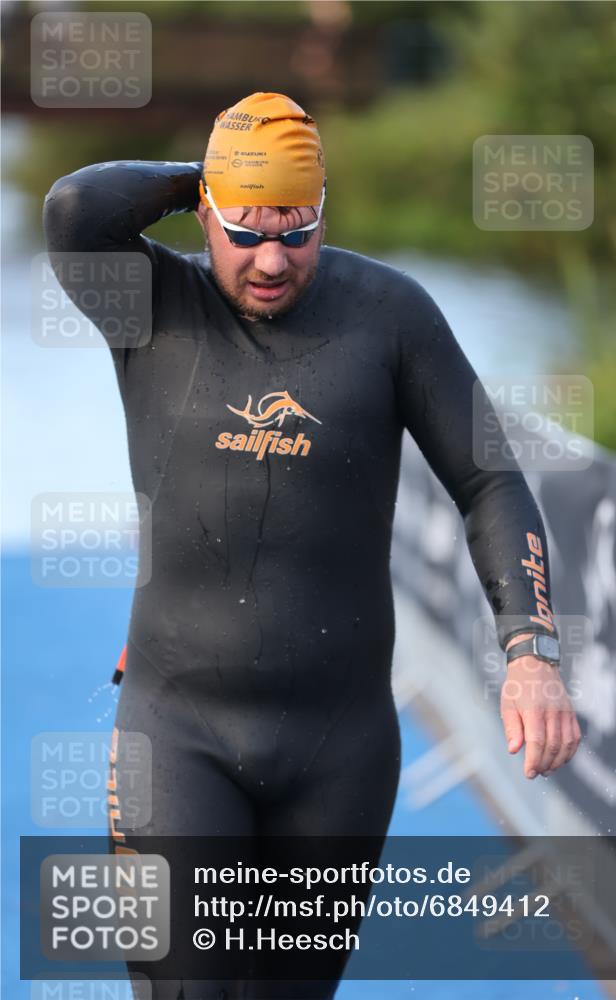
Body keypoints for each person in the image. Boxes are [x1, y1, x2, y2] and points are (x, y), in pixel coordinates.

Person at [43, 91, 581, 1000]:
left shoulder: (390, 316)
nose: (269, 259)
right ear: (204, 212)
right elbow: (72, 209)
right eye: (245, 231)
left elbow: (490, 480)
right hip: (175, 737)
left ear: (323, 214)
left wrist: (530, 653)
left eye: (296, 232)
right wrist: (209, 176)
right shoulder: (147, 305)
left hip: (337, 753)